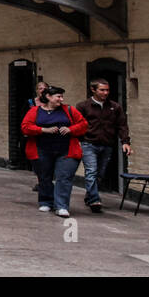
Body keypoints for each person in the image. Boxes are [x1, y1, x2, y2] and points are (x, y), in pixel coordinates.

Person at [21, 85, 88, 217]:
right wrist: (42, 130)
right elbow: (25, 127)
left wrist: (71, 129)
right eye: (58, 96)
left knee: (64, 177)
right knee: (44, 177)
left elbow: (83, 124)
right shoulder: (35, 111)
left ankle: (61, 206)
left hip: (67, 150)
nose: (61, 99)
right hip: (41, 149)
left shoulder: (69, 110)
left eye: (62, 96)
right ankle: (46, 201)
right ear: (48, 97)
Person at [75, 78, 131, 214]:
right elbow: (77, 124)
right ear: (93, 90)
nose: (105, 93)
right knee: (92, 171)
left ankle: (89, 195)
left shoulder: (115, 107)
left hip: (107, 144)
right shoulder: (83, 106)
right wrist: (78, 140)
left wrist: (125, 142)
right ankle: (94, 200)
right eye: (102, 90)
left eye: (107, 90)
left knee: (100, 173)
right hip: (88, 143)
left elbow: (122, 125)